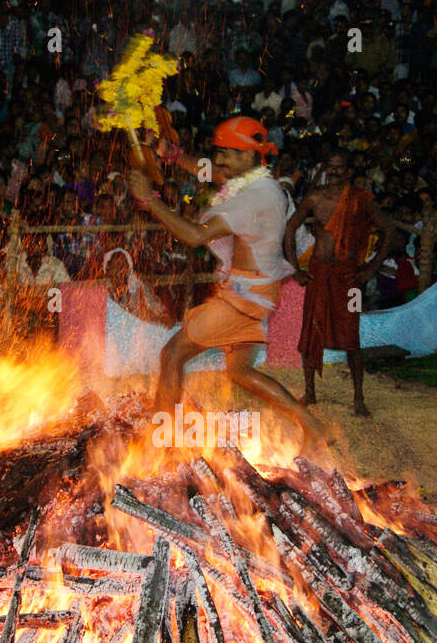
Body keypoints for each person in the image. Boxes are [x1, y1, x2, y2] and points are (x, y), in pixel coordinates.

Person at [127, 116, 325, 444]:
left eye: (228, 154)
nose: (219, 161)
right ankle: (312, 426)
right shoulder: (259, 182)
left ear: (249, 156)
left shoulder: (254, 198)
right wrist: (168, 152)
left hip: (243, 297)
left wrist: (150, 200)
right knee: (241, 372)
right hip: (256, 291)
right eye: (218, 152)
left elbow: (193, 235)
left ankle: (160, 441)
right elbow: (211, 173)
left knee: (172, 355)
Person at [285, 148, 391, 416]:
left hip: (349, 278)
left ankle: (358, 398)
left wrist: (371, 267)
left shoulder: (362, 199)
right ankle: (310, 392)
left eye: (339, 167)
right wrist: (295, 268)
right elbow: (289, 227)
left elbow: (389, 230)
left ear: (349, 171)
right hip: (319, 276)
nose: (333, 171)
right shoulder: (315, 197)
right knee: (311, 332)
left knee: (352, 337)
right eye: (329, 166)